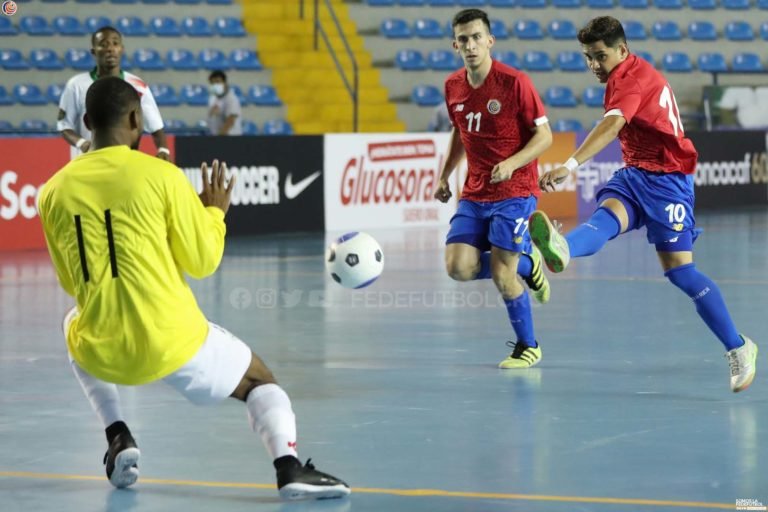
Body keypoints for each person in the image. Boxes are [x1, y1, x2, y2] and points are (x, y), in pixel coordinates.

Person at [38, 77, 350, 500]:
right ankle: (289, 466)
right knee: (259, 379)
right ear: (136, 120)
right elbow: (203, 261)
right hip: (173, 345)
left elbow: (71, 282)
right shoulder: (162, 176)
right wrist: (214, 213)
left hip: (104, 351)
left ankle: (117, 434)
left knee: (72, 321)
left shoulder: (51, 193)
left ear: (87, 122)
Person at [530, 16, 758, 392]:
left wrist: (570, 164)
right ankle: (562, 248)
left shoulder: (631, 80)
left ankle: (739, 346)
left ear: (622, 50)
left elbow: (611, 126)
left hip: (669, 181)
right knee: (606, 219)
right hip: (636, 173)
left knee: (681, 274)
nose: (593, 65)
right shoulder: (621, 75)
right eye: (588, 57)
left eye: (600, 56)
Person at [434, 8, 553, 369]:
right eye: (463, 39)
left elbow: (544, 136)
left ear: (490, 40)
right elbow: (460, 130)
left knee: (502, 273)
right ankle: (528, 262)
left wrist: (513, 163)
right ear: (455, 44)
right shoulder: (453, 86)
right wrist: (444, 174)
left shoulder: (515, 82)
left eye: (476, 37)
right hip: (475, 193)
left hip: (516, 191)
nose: (470, 45)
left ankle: (528, 346)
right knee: (458, 267)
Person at [57, 26, 171, 161]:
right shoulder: (76, 85)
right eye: (103, 45)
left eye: (115, 43)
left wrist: (163, 149)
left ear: (122, 49)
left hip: (125, 163)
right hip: (88, 161)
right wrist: (83, 144)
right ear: (93, 51)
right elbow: (64, 126)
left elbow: (156, 126)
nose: (110, 49)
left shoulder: (138, 86)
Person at [207, 70, 243, 136]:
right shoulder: (212, 99)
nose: (215, 85)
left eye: (217, 82)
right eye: (212, 83)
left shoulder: (232, 99)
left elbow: (230, 121)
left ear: (225, 83)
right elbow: (211, 117)